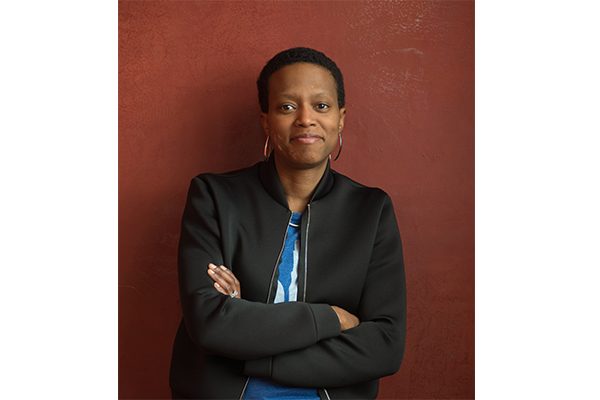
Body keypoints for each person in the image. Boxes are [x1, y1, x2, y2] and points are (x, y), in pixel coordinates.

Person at [169, 47, 406, 400]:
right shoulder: (214, 197)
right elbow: (209, 323)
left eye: (321, 106)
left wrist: (245, 340)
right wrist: (330, 320)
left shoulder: (371, 210)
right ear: (266, 120)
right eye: (287, 107)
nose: (306, 119)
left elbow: (385, 345)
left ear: (341, 119)